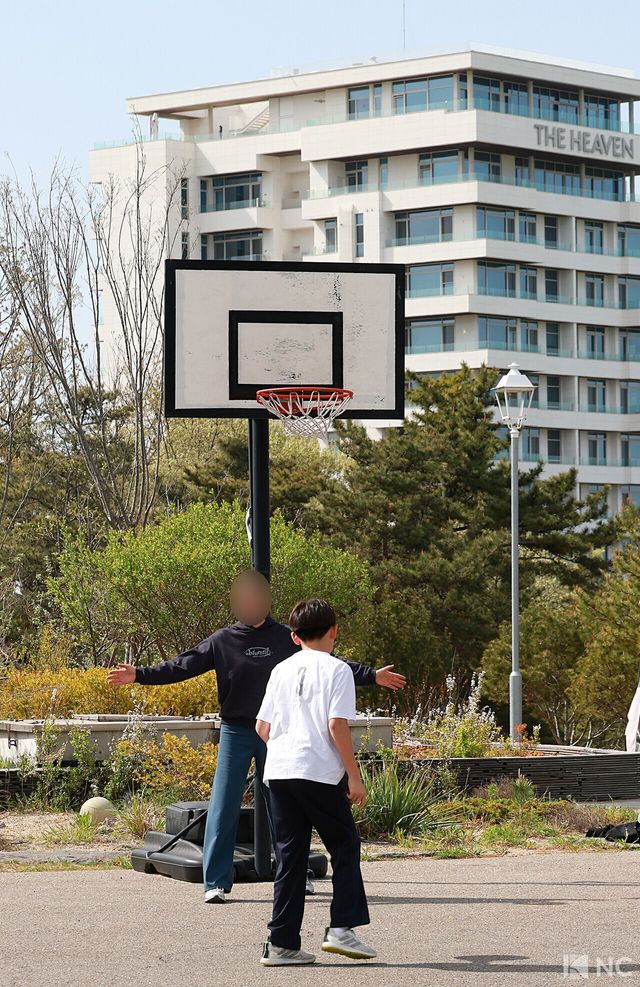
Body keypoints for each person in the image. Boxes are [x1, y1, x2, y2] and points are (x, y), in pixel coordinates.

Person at [106, 570, 405, 905]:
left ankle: (296, 873)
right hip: (236, 731)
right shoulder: (222, 640)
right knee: (223, 805)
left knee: (287, 808)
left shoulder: (286, 638)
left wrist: (371, 676)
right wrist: (139, 675)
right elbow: (181, 666)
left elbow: (326, 663)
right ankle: (216, 881)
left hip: (276, 733)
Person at [257, 598, 375, 967]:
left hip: (279, 771)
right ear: (334, 630)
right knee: (344, 845)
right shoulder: (338, 670)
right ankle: (341, 928)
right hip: (318, 773)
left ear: (294, 636)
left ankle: (281, 944)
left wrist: (287, 750)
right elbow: (337, 725)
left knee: (290, 857)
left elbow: (262, 728)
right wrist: (353, 777)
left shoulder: (280, 670)